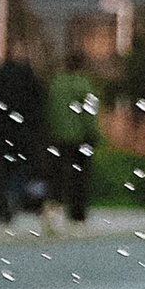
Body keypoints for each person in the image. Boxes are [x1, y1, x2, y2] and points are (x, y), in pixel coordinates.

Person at [0, 53, 48, 229]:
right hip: (22, 135)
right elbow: (37, 112)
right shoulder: (29, 83)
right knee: (19, 169)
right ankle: (17, 203)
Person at [45, 60, 99, 230]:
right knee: (79, 176)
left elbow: (49, 110)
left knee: (57, 174)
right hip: (79, 138)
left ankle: (54, 208)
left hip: (57, 136)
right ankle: (77, 212)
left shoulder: (55, 84)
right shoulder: (85, 85)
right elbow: (90, 113)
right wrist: (93, 134)